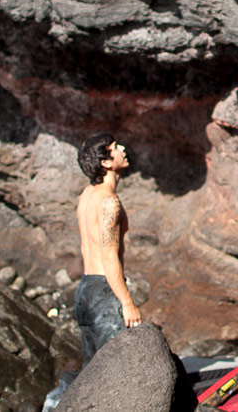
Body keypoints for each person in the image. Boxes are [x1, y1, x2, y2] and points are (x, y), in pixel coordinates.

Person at [75, 132, 142, 366]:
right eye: (115, 147)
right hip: (104, 291)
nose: (122, 148)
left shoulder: (87, 195)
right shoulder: (109, 202)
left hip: (85, 289)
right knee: (118, 370)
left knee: (92, 372)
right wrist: (127, 302)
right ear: (105, 162)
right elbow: (109, 256)